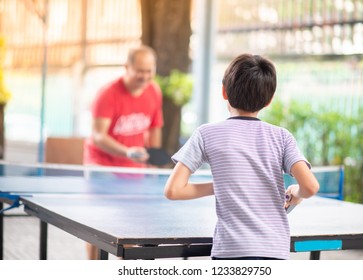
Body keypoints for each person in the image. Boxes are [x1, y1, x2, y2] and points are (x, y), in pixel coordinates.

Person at [164, 54, 319, 260]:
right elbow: (311, 187)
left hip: (230, 250)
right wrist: (296, 193)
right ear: (269, 100)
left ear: (224, 91)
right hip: (274, 251)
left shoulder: (206, 134)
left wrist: (222, 184)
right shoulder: (282, 137)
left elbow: (174, 190)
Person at [83, 45, 164, 259]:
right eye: (140, 71)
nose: (145, 76)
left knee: (132, 229)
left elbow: (155, 128)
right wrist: (127, 152)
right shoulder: (107, 94)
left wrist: (153, 164)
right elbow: (98, 136)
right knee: (97, 228)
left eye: (149, 71)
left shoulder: (154, 91)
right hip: (102, 166)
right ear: (126, 67)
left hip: (134, 170)